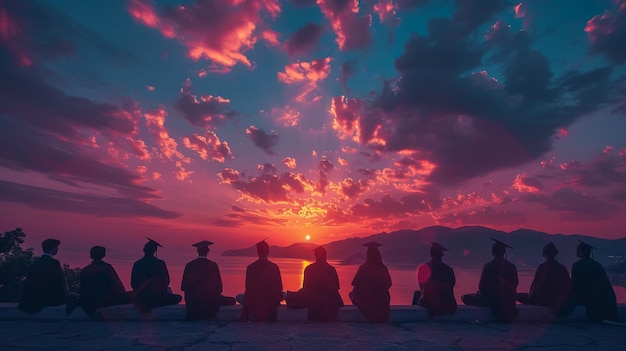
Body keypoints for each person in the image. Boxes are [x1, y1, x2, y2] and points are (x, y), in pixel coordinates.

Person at [461, 238, 518, 322]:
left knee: (464, 297)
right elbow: (515, 284)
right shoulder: (512, 267)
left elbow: (482, 287)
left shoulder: (488, 266)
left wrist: (480, 294)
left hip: (492, 301)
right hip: (508, 300)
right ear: (503, 252)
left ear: (493, 252)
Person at [18, 239, 79, 314]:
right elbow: (60, 283)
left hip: (33, 299)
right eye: (57, 247)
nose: (57, 249)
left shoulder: (35, 263)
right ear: (53, 249)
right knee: (73, 296)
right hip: (48, 299)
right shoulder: (54, 263)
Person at [287, 246, 344, 322]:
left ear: (315, 256)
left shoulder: (310, 269)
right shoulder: (331, 269)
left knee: (295, 295)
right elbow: (335, 289)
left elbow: (306, 289)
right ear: (325, 255)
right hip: (328, 300)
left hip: (313, 300)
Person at [518, 242, 574, 317]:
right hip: (560, 300)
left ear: (545, 254)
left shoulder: (542, 267)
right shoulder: (562, 267)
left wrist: (531, 298)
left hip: (545, 301)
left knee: (518, 296)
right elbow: (568, 286)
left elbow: (535, 287)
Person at [571, 240, 618, 322]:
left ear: (581, 252)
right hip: (599, 297)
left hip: (584, 296)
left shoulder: (577, 265)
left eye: (577, 250)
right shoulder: (597, 265)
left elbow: (575, 284)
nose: (576, 252)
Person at [131, 238, 181, 313]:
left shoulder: (137, 263)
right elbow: (166, 282)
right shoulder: (160, 263)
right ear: (154, 251)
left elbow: (133, 284)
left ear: (144, 250)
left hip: (141, 298)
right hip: (156, 299)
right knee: (178, 297)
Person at [79, 246, 132, 316]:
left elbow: (83, 288)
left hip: (90, 301)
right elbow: (118, 286)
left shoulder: (85, 270)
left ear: (91, 255)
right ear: (103, 255)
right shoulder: (107, 268)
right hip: (106, 300)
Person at [240, 240, 283, 322]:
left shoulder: (250, 267)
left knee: (239, 296)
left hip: (255, 299)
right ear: (268, 251)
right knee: (284, 294)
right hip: (270, 299)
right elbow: (279, 287)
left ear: (257, 252)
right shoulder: (274, 267)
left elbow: (248, 288)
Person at [181, 240, 224, 321]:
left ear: (197, 251)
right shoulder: (213, 265)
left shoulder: (189, 265)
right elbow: (219, 287)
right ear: (208, 251)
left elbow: (184, 287)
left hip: (193, 302)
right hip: (208, 301)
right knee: (231, 300)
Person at [350, 242, 392, 323]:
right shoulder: (383, 269)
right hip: (383, 305)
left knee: (351, 294)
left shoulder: (363, 268)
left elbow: (356, 287)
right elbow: (388, 284)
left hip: (367, 304)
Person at [414, 242, 457, 317]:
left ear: (431, 254)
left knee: (417, 294)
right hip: (448, 303)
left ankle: (415, 317)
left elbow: (421, 287)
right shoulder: (449, 269)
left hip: (430, 304)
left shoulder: (423, 268)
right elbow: (452, 285)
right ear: (442, 255)